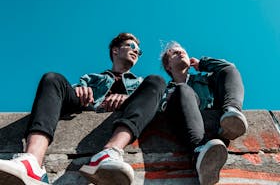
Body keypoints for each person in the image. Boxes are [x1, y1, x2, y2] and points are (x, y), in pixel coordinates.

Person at [0, 33, 166, 185]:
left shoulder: (141, 83)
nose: (136, 51)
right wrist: (80, 89)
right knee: (52, 78)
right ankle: (32, 163)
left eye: (139, 51)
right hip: (87, 106)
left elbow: (154, 105)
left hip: (126, 116)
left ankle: (110, 152)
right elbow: (64, 95)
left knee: (157, 81)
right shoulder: (92, 78)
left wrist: (129, 99)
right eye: (132, 46)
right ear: (115, 50)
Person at [160, 41, 248, 185]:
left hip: (215, 121)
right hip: (191, 134)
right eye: (175, 53)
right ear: (168, 66)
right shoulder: (165, 90)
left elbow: (228, 68)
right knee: (182, 89)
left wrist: (203, 64)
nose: (181, 53)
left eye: (183, 51)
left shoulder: (205, 80)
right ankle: (200, 154)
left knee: (230, 70)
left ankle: (232, 114)